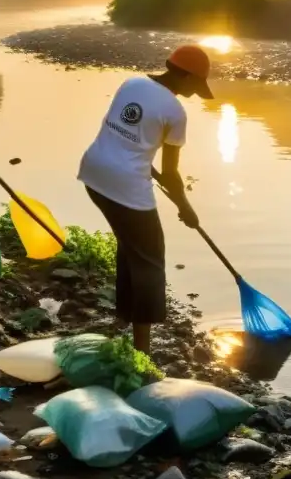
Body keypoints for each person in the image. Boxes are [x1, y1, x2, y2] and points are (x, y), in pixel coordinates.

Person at [77, 44, 213, 355]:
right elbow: (171, 172)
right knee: (151, 261)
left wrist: (147, 168)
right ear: (186, 75)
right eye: (196, 85)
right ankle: (142, 352)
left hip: (94, 175)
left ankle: (124, 321)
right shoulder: (175, 112)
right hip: (127, 189)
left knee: (130, 247)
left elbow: (127, 139)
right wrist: (187, 209)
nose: (194, 93)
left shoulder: (132, 83)